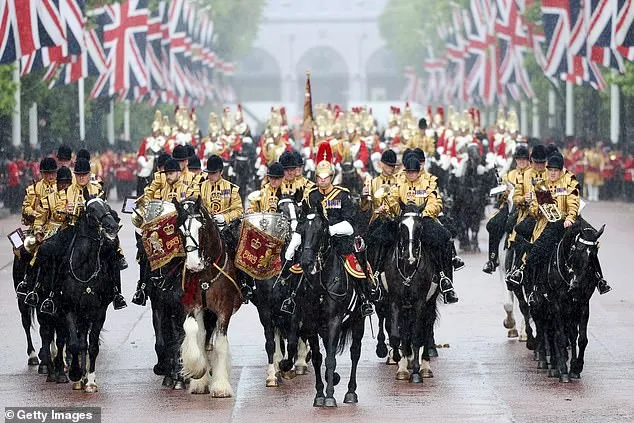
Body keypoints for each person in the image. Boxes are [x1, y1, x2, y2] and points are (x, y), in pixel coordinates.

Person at [284, 143, 375, 317]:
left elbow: (350, 221)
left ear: (332, 177)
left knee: (355, 262)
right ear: (316, 177)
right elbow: (304, 220)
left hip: (338, 238)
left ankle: (364, 298)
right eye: (319, 177)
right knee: (301, 262)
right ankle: (292, 295)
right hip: (316, 240)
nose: (323, 180)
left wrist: (331, 230)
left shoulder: (342, 194)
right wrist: (295, 242)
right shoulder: (311, 196)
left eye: (326, 177)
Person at [386, 156, 459, 304]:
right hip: (403, 220)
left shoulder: (427, 184)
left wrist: (424, 214)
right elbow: (392, 199)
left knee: (443, 238)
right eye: (409, 172)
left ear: (419, 172)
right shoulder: (399, 184)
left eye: (414, 172)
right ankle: (376, 277)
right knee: (379, 237)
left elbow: (435, 202)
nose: (412, 174)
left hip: (423, 220)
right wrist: (394, 210)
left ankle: (444, 278)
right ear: (405, 172)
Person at [483, 145, 530, 273]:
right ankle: (492, 259)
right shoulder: (509, 175)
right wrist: (502, 192)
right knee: (493, 224)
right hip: (509, 205)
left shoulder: (531, 174)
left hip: (525, 207)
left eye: (524, 159)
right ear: (516, 160)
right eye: (519, 159)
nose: (521, 162)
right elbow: (501, 195)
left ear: (528, 160)